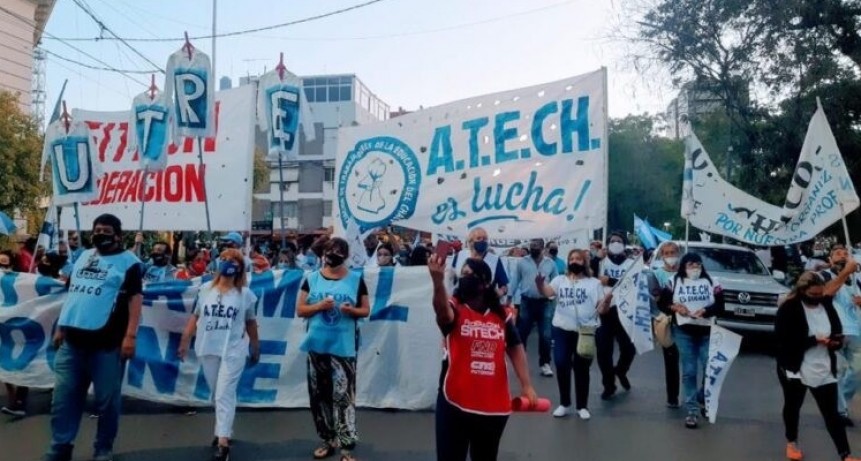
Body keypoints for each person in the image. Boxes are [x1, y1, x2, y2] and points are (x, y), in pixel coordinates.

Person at [45, 214, 143, 461]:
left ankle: (103, 448)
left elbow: (135, 300)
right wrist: (61, 327)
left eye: (106, 230)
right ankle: (61, 447)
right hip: (72, 344)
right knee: (63, 400)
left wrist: (130, 336)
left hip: (108, 346)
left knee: (107, 403)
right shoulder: (83, 257)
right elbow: (73, 295)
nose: (100, 233)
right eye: (97, 229)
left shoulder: (130, 263)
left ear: (118, 235)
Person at [427, 254, 537, 461]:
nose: (465, 278)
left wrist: (527, 385)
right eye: (463, 275)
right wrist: (437, 282)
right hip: (454, 401)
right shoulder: (455, 308)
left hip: (492, 407)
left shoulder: (501, 315)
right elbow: (442, 313)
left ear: (485, 282)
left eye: (470, 274)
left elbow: (515, 347)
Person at [178, 249, 260, 461]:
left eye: (233, 260)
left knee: (224, 392)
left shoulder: (245, 295)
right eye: (224, 259)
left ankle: (223, 441)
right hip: (208, 347)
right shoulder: (205, 289)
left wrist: (255, 345)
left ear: (240, 266)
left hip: (233, 349)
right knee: (217, 392)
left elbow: (250, 321)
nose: (228, 263)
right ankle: (224, 429)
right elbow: (196, 316)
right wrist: (185, 339)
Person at [776, 268, 861, 461]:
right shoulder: (789, 308)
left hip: (822, 364)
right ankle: (792, 442)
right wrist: (813, 340)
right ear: (802, 291)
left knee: (831, 413)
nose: (816, 298)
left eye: (819, 294)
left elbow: (837, 330)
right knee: (793, 406)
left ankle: (845, 454)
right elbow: (783, 341)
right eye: (812, 295)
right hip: (795, 366)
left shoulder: (826, 305)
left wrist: (835, 342)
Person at [297, 237, 370, 461]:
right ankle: (327, 439)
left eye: (338, 251)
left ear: (346, 256)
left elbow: (366, 310)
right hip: (316, 347)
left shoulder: (356, 281)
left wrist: (352, 311)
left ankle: (346, 448)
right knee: (320, 396)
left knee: (344, 397)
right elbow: (300, 309)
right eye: (330, 250)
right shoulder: (311, 279)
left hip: (344, 348)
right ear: (324, 253)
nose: (333, 254)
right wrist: (319, 306)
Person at [536, 249, 611, 420]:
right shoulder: (560, 280)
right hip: (562, 328)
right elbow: (548, 292)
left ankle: (582, 406)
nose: (574, 262)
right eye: (571, 259)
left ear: (584, 262)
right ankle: (564, 403)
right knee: (561, 363)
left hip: (585, 331)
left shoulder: (594, 283)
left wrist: (606, 302)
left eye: (578, 259)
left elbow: (602, 309)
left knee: (581, 367)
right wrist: (540, 285)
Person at [658, 252, 723, 429]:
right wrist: (675, 307)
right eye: (690, 264)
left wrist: (706, 311)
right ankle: (692, 410)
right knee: (689, 370)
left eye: (698, 264)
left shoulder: (713, 282)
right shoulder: (674, 282)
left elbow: (720, 306)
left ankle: (702, 396)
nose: (694, 267)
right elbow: (662, 303)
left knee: (710, 368)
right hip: (683, 331)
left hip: (707, 331)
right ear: (683, 266)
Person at [817, 244, 861, 427]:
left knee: (858, 372)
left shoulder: (857, 280)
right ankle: (840, 412)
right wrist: (844, 274)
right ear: (830, 260)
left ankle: (837, 402)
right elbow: (826, 293)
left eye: (845, 254)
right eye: (837, 254)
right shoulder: (824, 276)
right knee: (838, 370)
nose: (842, 256)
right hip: (834, 331)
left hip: (856, 331)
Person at [596, 231, 636, 400]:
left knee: (629, 348)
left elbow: (633, 283)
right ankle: (609, 384)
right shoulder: (601, 262)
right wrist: (596, 257)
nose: (616, 243)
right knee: (604, 351)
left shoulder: (631, 263)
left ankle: (620, 370)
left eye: (619, 241)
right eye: (613, 241)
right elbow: (588, 275)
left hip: (625, 311)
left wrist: (610, 281)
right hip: (604, 310)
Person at [510, 238, 559, 377]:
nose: (533, 248)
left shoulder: (551, 264)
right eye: (531, 246)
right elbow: (515, 281)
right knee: (522, 333)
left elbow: (556, 282)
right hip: (527, 302)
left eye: (536, 246)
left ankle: (545, 363)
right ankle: (521, 362)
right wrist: (509, 297)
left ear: (543, 248)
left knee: (545, 335)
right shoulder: (522, 262)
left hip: (545, 303)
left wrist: (557, 300)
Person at [647, 242, 682, 408]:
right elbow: (656, 299)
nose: (670, 255)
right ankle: (673, 396)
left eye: (673, 252)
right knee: (671, 360)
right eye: (666, 253)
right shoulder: (655, 275)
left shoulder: (686, 273)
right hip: (667, 322)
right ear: (661, 256)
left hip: (688, 322)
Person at [451, 227, 509, 298]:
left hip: (485, 303)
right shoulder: (460, 256)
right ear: (471, 241)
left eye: (485, 239)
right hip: (461, 301)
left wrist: (500, 292)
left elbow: (504, 286)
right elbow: (451, 280)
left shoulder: (495, 260)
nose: (482, 241)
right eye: (478, 238)